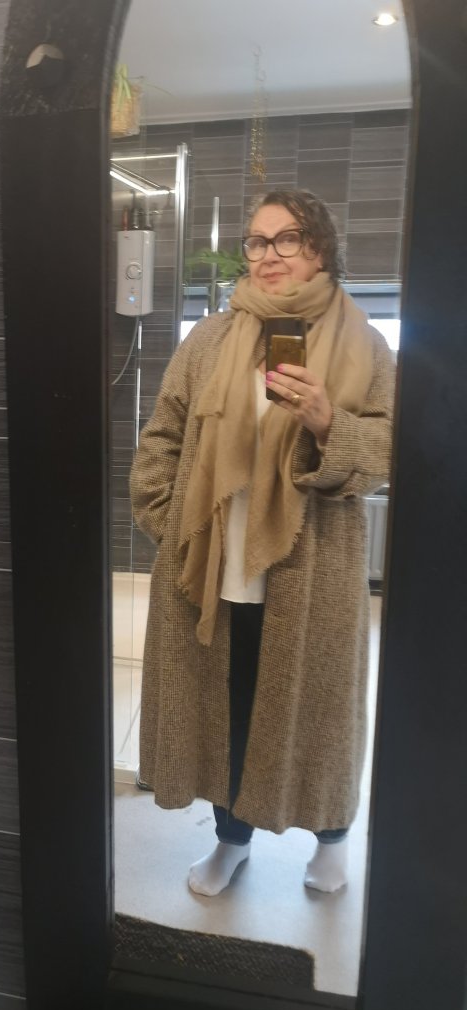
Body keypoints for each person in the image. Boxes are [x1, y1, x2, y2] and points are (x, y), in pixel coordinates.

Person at [130, 188, 395, 896]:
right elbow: (162, 436)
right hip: (212, 563)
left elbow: (388, 450)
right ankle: (231, 839)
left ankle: (331, 839)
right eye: (257, 240)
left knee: (319, 712)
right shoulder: (211, 340)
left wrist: (327, 422)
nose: (268, 254)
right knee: (228, 706)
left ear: (320, 249)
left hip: (313, 569)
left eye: (287, 239)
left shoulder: (365, 344)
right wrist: (170, 526)